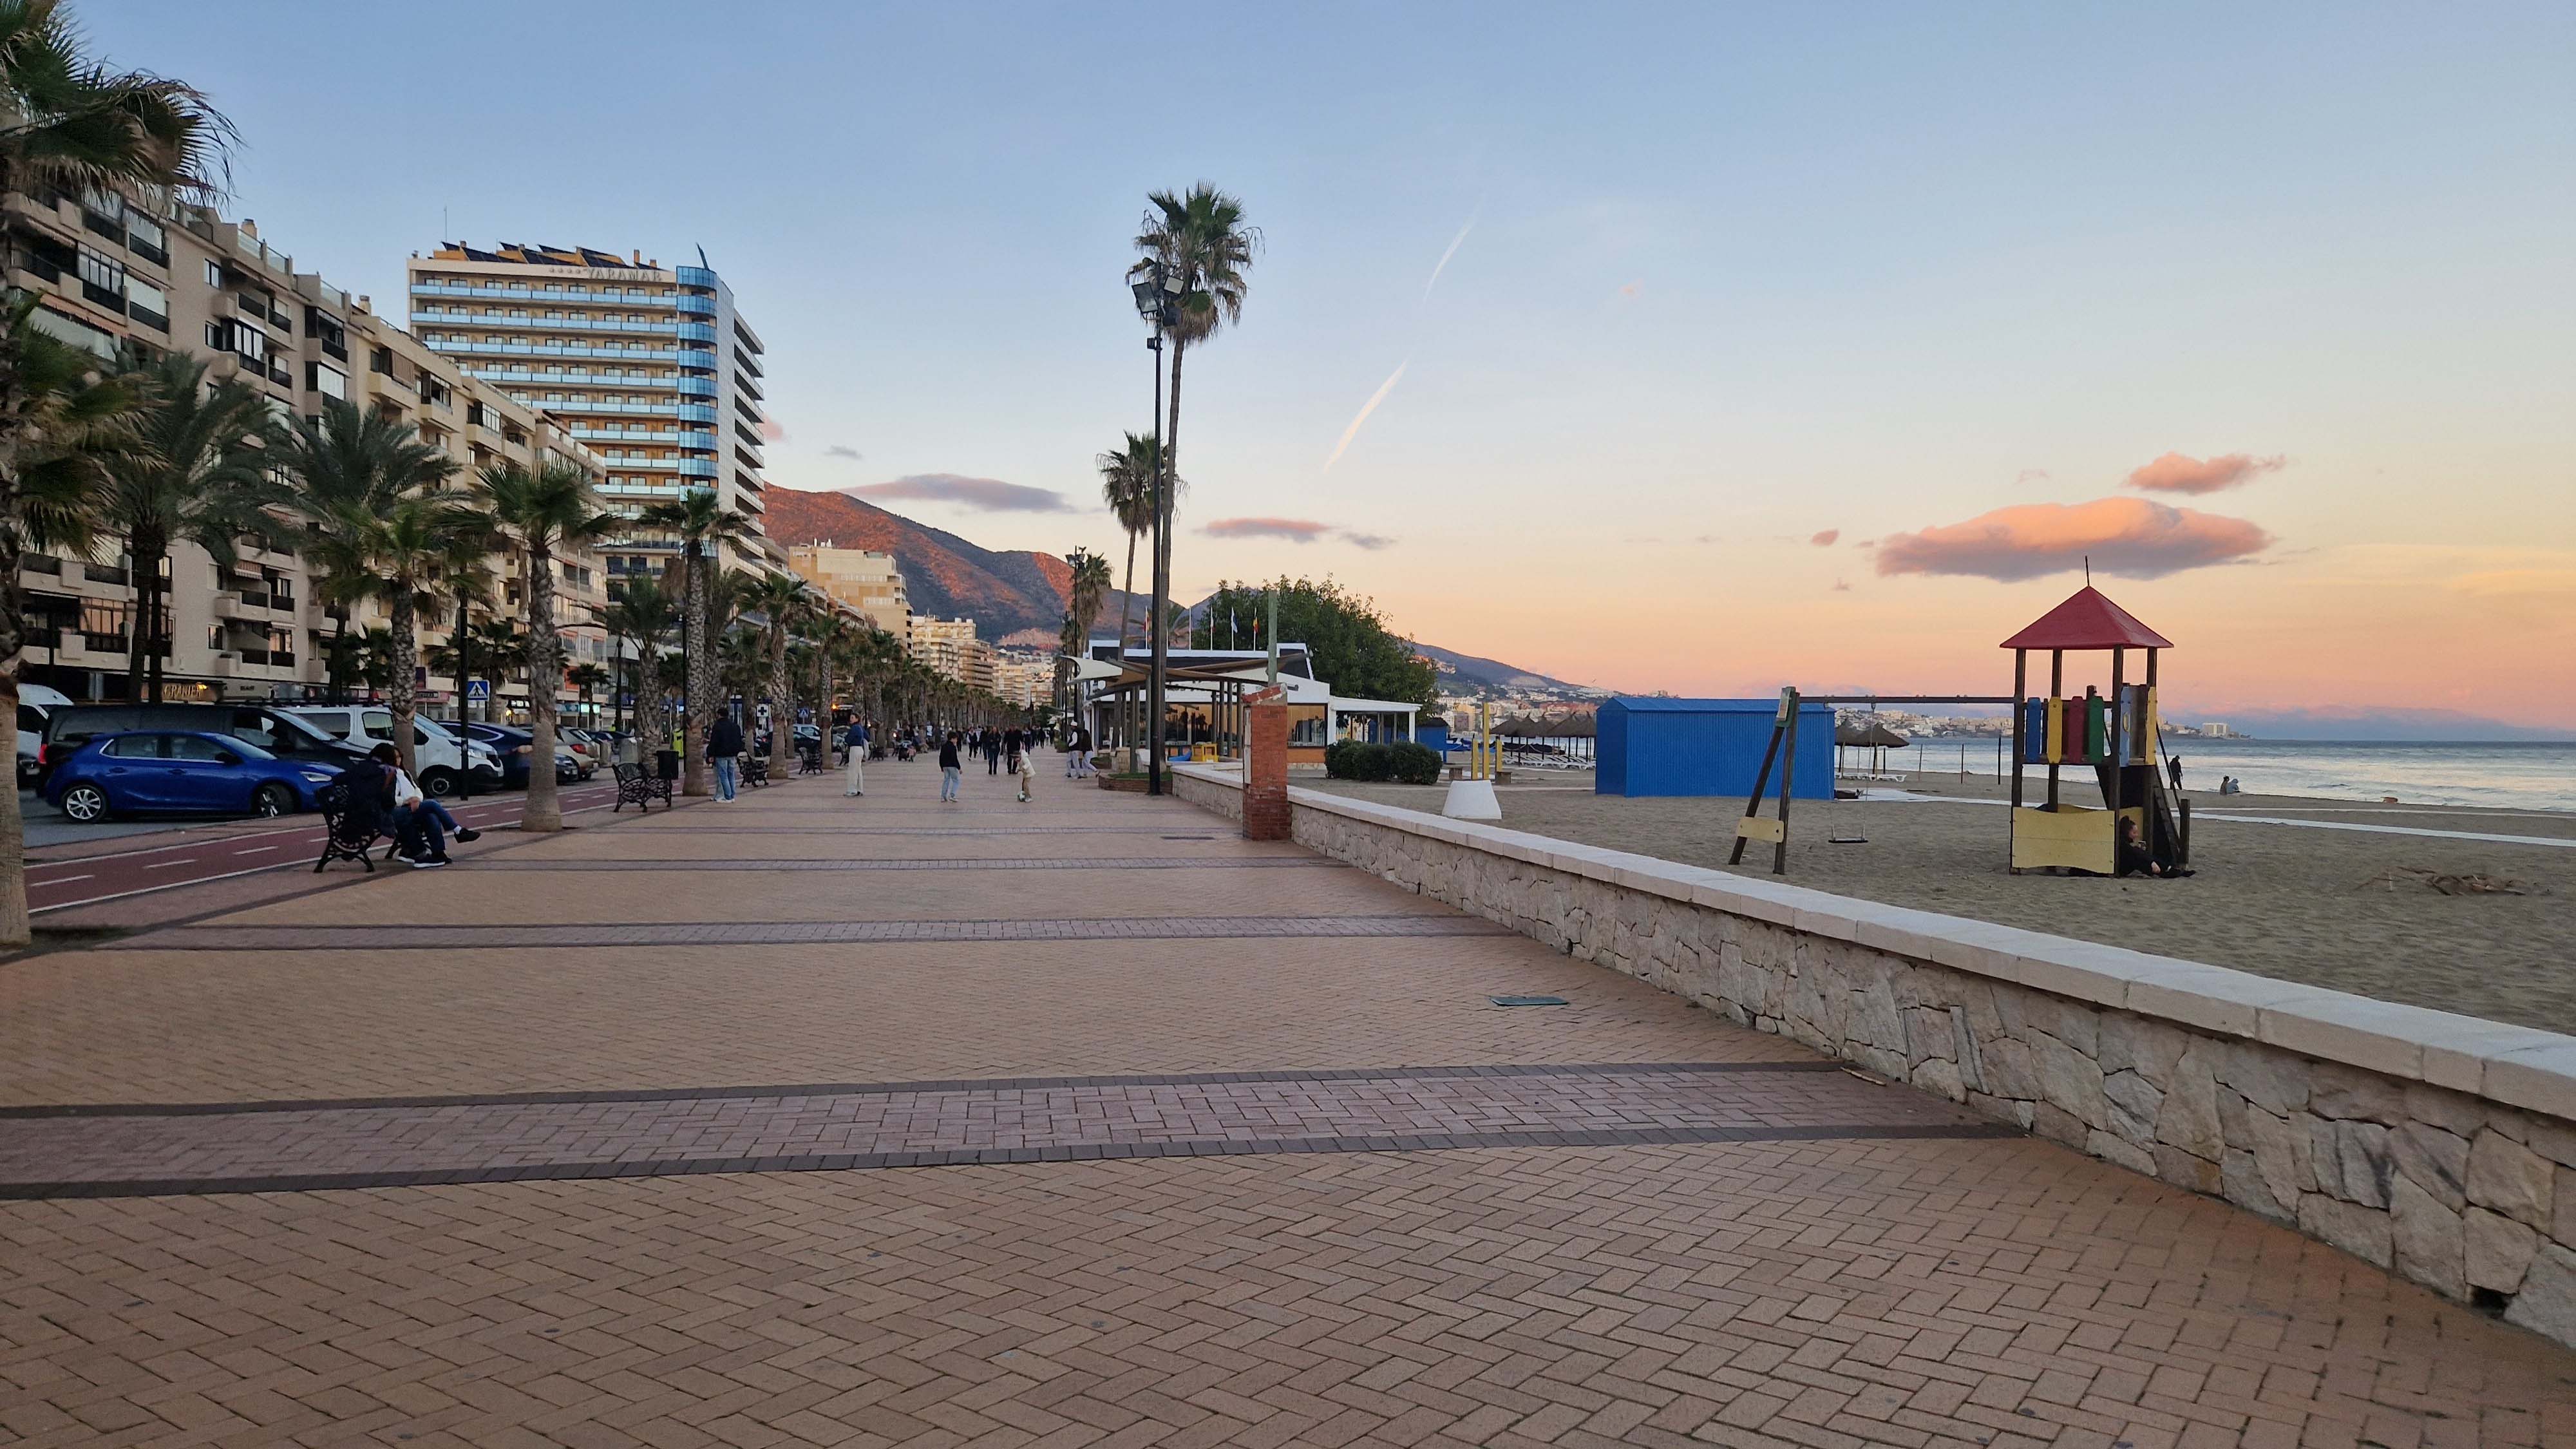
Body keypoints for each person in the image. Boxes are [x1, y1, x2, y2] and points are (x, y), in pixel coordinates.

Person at [707, 710, 745, 802]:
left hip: (721, 755)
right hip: (732, 755)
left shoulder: (718, 727)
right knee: (731, 775)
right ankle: (732, 796)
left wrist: (711, 754)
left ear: (719, 715)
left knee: (723, 776)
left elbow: (714, 742)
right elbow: (739, 741)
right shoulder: (735, 726)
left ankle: (728, 796)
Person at [843, 717, 867, 798]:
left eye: (853, 718)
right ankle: (860, 789)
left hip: (855, 748)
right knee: (858, 770)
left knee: (853, 770)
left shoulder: (855, 728)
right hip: (860, 749)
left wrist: (847, 740)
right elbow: (867, 736)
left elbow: (848, 739)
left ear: (857, 719)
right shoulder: (860, 727)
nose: (851, 719)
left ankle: (852, 790)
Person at [938, 730, 963, 803]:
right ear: (952, 739)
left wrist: (941, 766)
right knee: (956, 780)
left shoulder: (944, 746)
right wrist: (959, 768)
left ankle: (943, 796)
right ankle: (952, 795)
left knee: (946, 780)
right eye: (956, 739)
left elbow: (941, 757)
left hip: (945, 766)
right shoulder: (953, 747)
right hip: (952, 766)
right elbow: (954, 758)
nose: (956, 740)